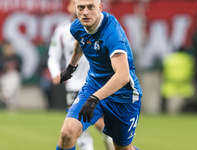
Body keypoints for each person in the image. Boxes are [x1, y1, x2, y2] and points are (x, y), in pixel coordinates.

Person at [56, 0, 142, 150]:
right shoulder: (77, 26)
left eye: (90, 7)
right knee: (67, 133)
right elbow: (81, 40)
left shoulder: (112, 34)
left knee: (122, 148)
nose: (85, 12)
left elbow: (122, 76)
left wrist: (94, 98)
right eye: (81, 8)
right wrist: (71, 66)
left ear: (100, 8)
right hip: (93, 87)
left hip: (123, 96)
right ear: (75, 8)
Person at [48, 0, 114, 150]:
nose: (84, 10)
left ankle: (110, 135)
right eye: (78, 5)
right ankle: (109, 136)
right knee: (77, 129)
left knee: (90, 120)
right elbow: (53, 55)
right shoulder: (62, 30)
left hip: (98, 83)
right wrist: (55, 73)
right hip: (74, 84)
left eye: (89, 6)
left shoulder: (102, 28)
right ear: (71, 6)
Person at [0, 40, 22, 110]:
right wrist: (6, 66)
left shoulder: (16, 57)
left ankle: (6, 94)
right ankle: (7, 95)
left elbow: (20, 69)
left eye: (10, 47)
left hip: (13, 79)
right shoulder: (1, 57)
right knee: (14, 78)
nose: (9, 49)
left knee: (14, 76)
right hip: (3, 78)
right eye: (7, 48)